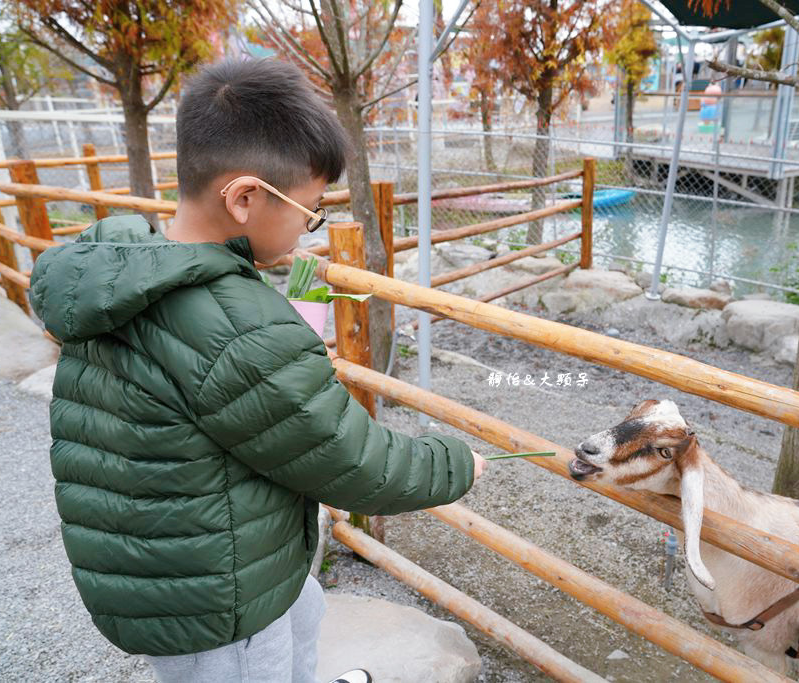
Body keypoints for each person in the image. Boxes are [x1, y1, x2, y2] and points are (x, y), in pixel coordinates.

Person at [28, 58, 486, 683]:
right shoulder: (236, 326)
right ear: (245, 197)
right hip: (219, 600)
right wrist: (457, 462)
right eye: (310, 209)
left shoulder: (127, 272)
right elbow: (353, 461)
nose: (311, 225)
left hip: (182, 560)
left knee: (301, 616)